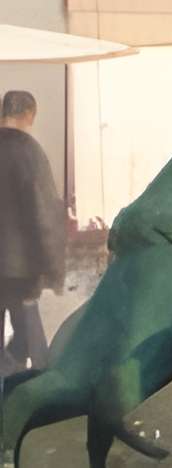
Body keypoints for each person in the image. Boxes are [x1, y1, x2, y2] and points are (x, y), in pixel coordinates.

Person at [0, 89, 63, 374]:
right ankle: (24, 390)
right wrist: (52, 267)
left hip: (12, 267)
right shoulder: (29, 152)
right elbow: (43, 213)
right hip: (19, 269)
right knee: (31, 339)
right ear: (28, 114)